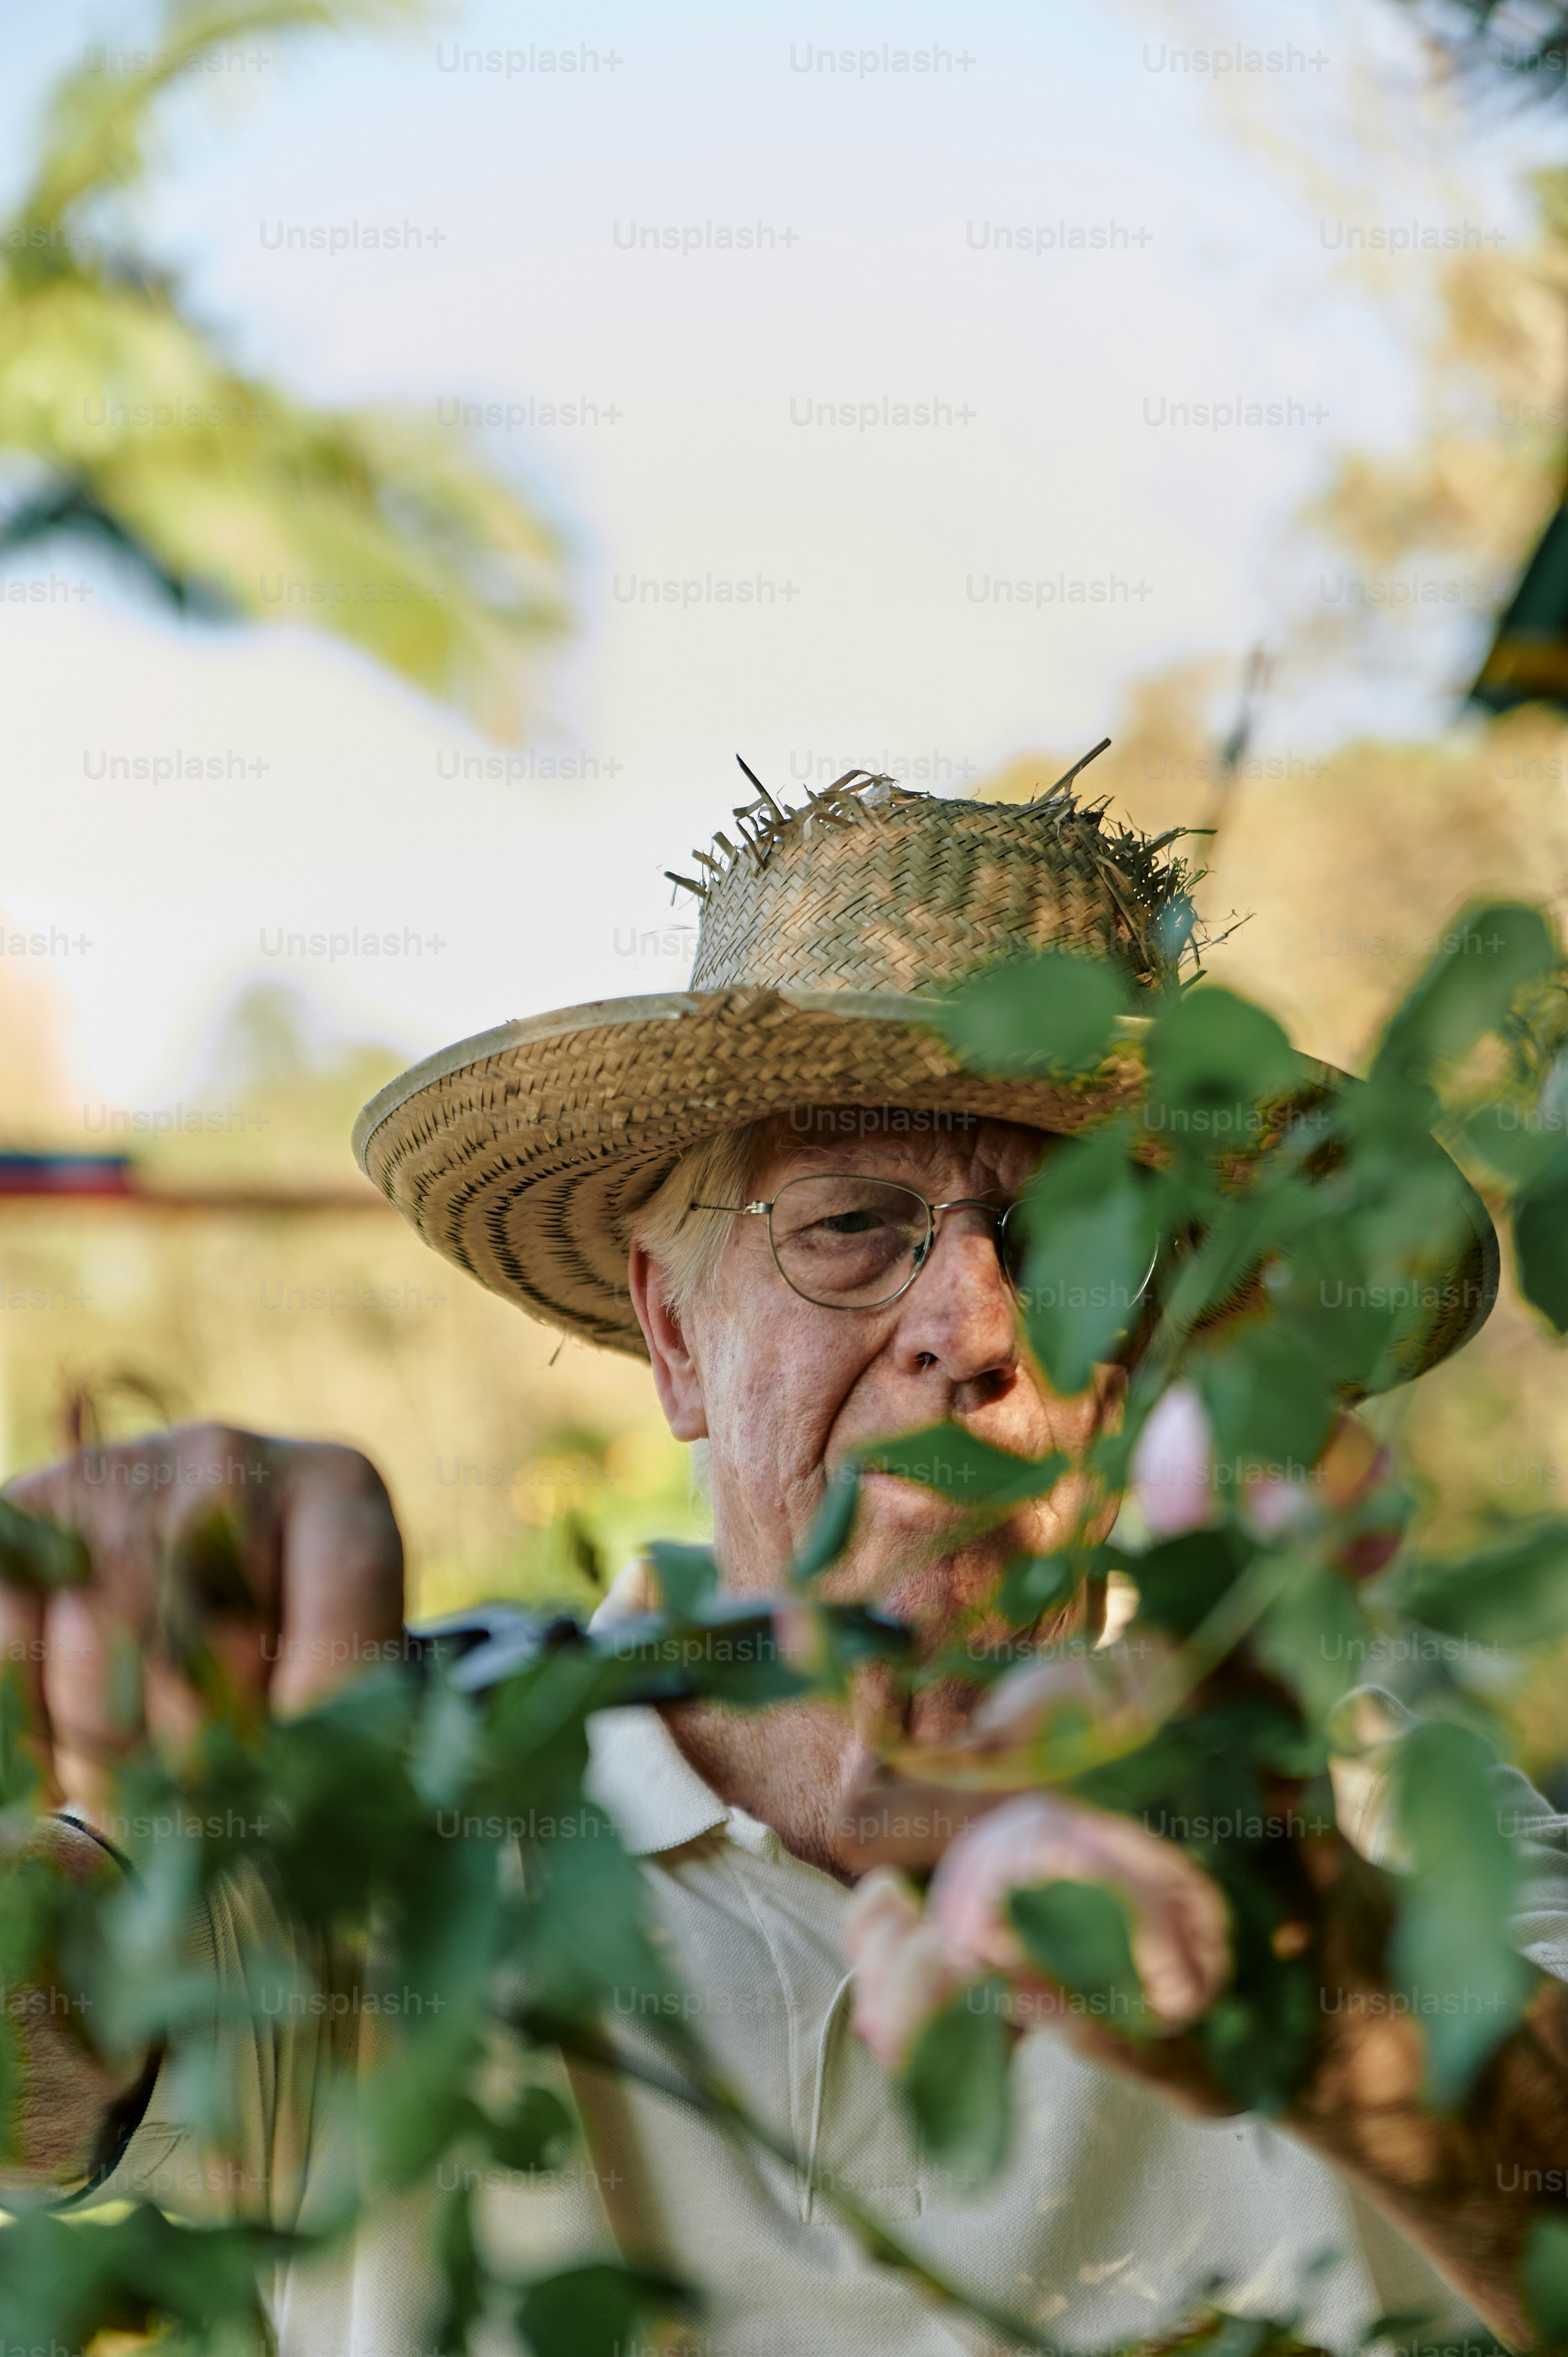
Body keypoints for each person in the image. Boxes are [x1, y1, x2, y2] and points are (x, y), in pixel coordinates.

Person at [4, 771, 1565, 2357]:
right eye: (850, 1225)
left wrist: (1324, 1995)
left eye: (1078, 1235)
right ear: (675, 1333)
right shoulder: (390, 1816)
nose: (973, 1329)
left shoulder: (1353, 1815)